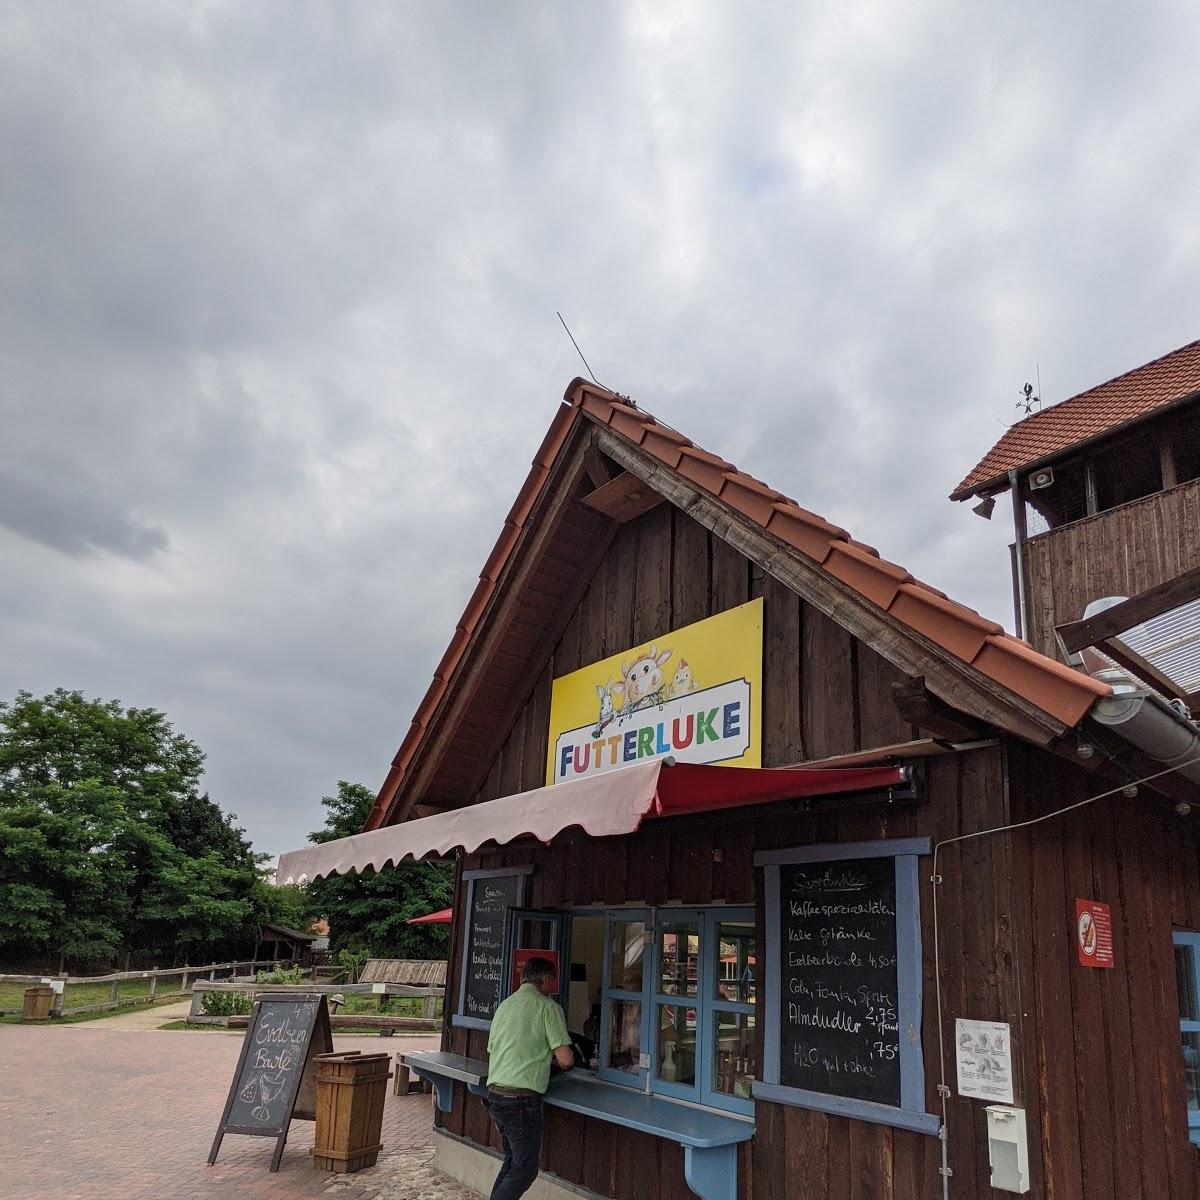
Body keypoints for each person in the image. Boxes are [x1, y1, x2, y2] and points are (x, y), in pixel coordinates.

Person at [484, 956, 574, 1200]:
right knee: (525, 1170)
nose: (552, 988)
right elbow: (566, 1060)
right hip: (521, 1100)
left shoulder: (505, 1005)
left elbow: (493, 1049)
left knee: (513, 1161)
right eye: (552, 982)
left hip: (495, 1095)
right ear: (545, 980)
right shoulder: (548, 1007)